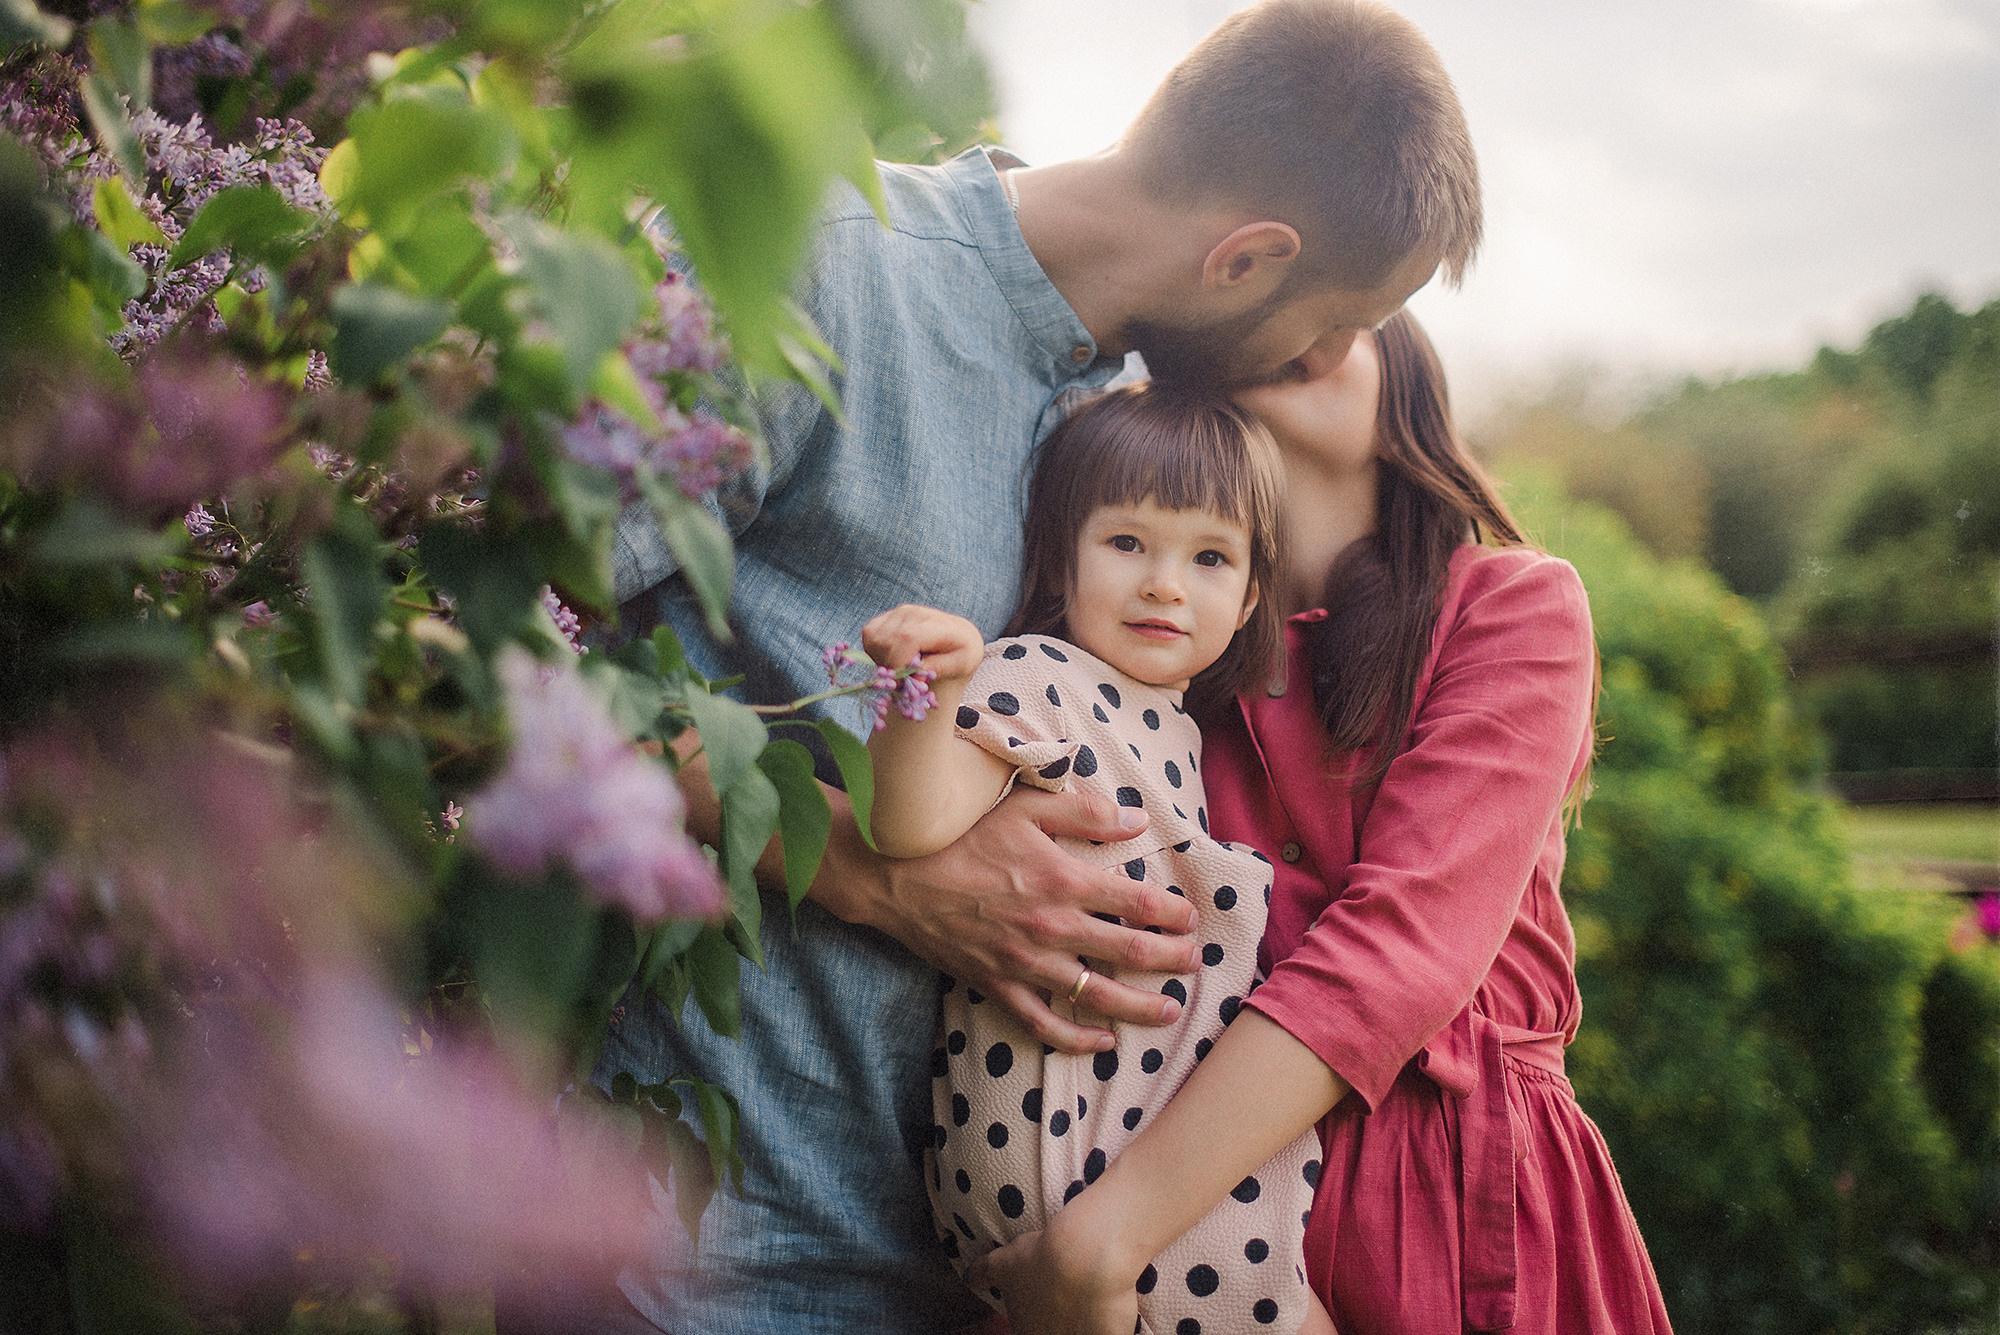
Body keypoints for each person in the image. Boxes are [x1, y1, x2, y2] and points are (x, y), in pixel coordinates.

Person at [597, 4, 1481, 1329]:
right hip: (714, 1259)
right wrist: (874, 871)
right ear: (1248, 256)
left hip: (980, 1286)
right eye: (1333, 325)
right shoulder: (815, 275)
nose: (1318, 370)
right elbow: (458, 665)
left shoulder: (1137, 427)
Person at [971, 312, 1674, 1335]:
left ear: (1410, 400)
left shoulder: (1511, 607)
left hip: (1440, 1173)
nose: (1306, 325)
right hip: (1204, 1190)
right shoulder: (1157, 657)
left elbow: (1402, 948)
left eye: (1353, 312)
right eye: (1271, 309)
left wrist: (1098, 1242)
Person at [860, 384, 1333, 1335]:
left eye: (1209, 557)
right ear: (1062, 561)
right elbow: (910, 825)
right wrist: (926, 692)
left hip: (1127, 1157)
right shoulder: (1037, 673)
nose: (1164, 582)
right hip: (1067, 1141)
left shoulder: (1193, 741)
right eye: (1128, 543)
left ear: (1248, 599)